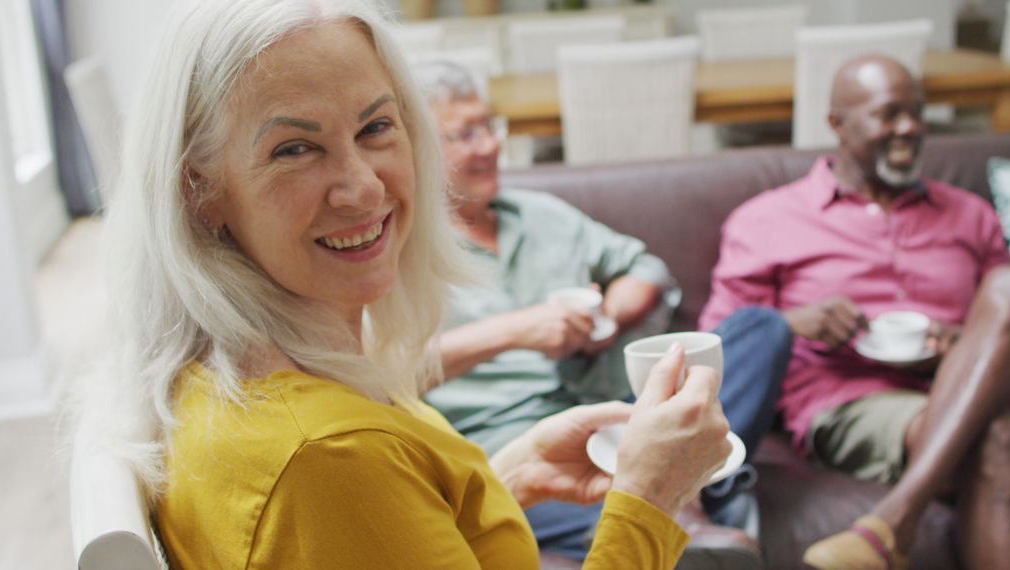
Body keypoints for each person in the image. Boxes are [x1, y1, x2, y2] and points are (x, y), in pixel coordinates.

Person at [80, 0, 737, 568]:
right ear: (199, 189)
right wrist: (650, 502)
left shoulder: (251, 377)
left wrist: (507, 475)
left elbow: (382, 539)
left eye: (376, 128)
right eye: (294, 149)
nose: (364, 186)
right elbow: (346, 496)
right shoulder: (327, 461)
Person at [414, 60, 793, 565]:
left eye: (489, 126)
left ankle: (693, 491)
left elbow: (646, 269)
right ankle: (698, 501)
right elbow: (385, 375)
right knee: (635, 518)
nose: (488, 145)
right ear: (417, 147)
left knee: (759, 329)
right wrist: (516, 331)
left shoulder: (541, 214)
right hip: (516, 440)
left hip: (613, 405)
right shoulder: (400, 252)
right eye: (463, 134)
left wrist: (611, 317)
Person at [700, 54, 1010, 570]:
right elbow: (720, 347)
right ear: (837, 123)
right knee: (1001, 437)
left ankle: (891, 524)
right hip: (852, 402)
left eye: (916, 113)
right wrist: (796, 325)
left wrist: (959, 342)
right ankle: (898, 520)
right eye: (889, 115)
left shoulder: (970, 214)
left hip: (961, 384)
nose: (908, 128)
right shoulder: (768, 220)